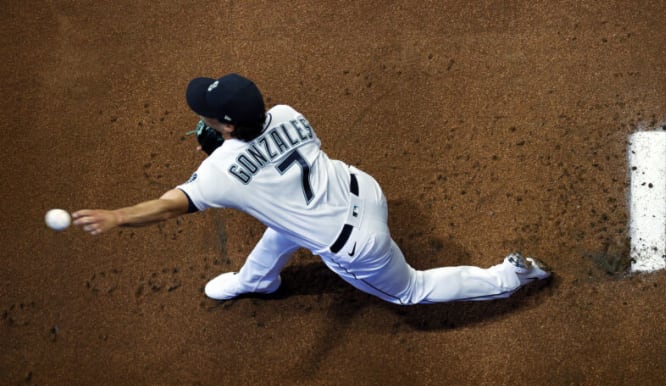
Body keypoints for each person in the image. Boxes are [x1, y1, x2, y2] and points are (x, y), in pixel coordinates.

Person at [73, 73, 551, 305]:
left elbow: (165, 207)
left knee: (413, 292)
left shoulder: (221, 172)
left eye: (208, 117)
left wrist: (116, 217)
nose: (202, 118)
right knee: (284, 225)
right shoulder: (286, 112)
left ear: (225, 124)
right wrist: (223, 143)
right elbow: (264, 164)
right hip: (361, 189)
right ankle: (256, 280)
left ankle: (508, 277)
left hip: (359, 246)